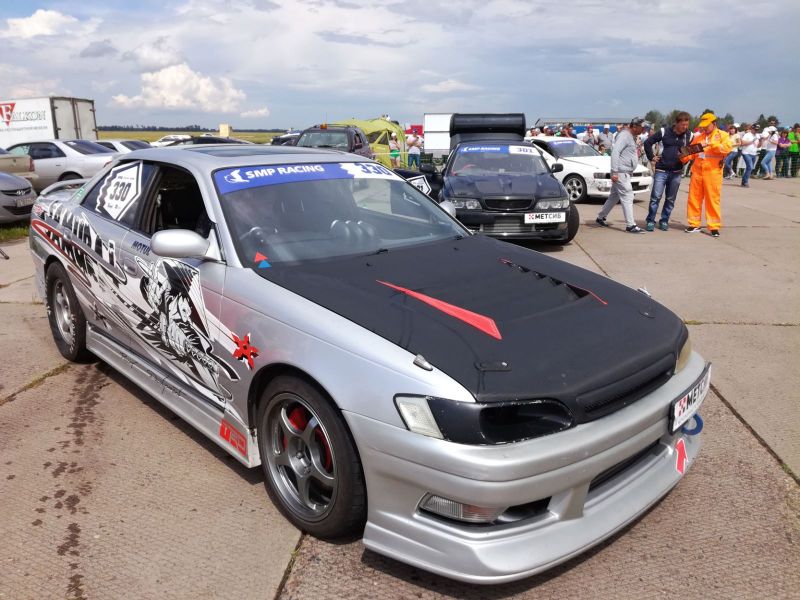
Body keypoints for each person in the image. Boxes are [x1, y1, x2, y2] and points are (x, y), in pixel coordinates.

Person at [595, 117, 649, 233]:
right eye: (642, 127)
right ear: (635, 127)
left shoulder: (630, 136)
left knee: (614, 196)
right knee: (628, 196)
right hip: (621, 172)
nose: (643, 130)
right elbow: (615, 152)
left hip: (623, 172)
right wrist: (614, 171)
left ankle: (600, 217)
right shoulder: (625, 136)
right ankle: (631, 225)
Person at [683, 112, 732, 238]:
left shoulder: (723, 135)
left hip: (713, 173)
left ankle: (714, 226)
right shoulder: (699, 137)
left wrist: (712, 144)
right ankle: (694, 224)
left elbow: (727, 149)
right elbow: (688, 152)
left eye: (707, 125)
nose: (704, 128)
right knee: (694, 198)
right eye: (703, 125)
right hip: (697, 172)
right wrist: (683, 156)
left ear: (714, 123)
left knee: (712, 199)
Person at [643, 111, 692, 231]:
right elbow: (647, 143)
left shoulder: (689, 135)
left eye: (687, 125)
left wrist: (685, 160)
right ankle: (650, 220)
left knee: (670, 199)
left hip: (676, 172)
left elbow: (691, 151)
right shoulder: (664, 131)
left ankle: (664, 220)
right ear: (676, 123)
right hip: (661, 170)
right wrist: (652, 157)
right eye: (683, 125)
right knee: (656, 197)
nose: (685, 127)